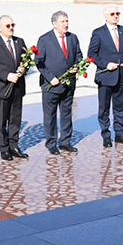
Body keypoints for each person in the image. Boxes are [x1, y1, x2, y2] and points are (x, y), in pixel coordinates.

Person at [36, 10, 83, 155]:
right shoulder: (44, 39)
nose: (66, 24)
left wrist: (77, 66)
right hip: (51, 85)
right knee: (50, 116)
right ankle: (51, 143)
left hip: (68, 84)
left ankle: (65, 142)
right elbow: (39, 61)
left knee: (66, 113)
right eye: (62, 21)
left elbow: (79, 56)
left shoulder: (73, 38)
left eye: (67, 21)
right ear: (54, 23)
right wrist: (50, 78)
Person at [87, 4, 123, 148]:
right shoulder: (98, 33)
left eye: (117, 13)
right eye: (112, 14)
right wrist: (105, 64)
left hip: (121, 75)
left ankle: (120, 134)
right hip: (106, 76)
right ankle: (106, 135)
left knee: (119, 107)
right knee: (104, 108)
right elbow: (92, 54)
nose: (115, 16)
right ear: (105, 16)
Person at [0, 15, 29, 161]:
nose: (11, 28)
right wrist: (6, 76)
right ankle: (4, 148)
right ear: (0, 27)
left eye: (12, 25)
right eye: (8, 26)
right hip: (2, 88)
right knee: (2, 120)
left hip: (17, 88)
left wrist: (24, 69)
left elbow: (26, 60)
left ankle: (14, 146)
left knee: (15, 119)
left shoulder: (19, 41)